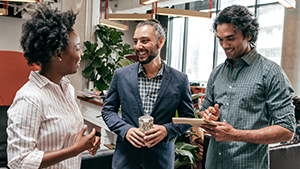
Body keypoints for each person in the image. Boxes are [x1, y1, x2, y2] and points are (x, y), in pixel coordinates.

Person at [197, 5, 295, 169]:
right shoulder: (217, 73)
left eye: (230, 38)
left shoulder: (270, 72)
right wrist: (207, 115)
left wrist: (235, 135)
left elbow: (286, 129)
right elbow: (203, 110)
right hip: (213, 164)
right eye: (220, 39)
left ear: (248, 35)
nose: (224, 45)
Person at [6, 6, 100, 169]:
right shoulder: (29, 98)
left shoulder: (67, 89)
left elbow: (64, 138)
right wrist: (74, 149)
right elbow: (18, 162)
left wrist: (86, 143)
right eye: (77, 48)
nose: (81, 54)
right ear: (58, 54)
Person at [101, 19, 194, 169]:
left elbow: (188, 118)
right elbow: (108, 110)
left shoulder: (180, 79)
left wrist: (166, 130)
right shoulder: (120, 75)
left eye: (145, 41)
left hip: (160, 161)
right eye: (136, 41)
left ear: (160, 42)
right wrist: (126, 130)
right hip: (126, 160)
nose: (138, 46)